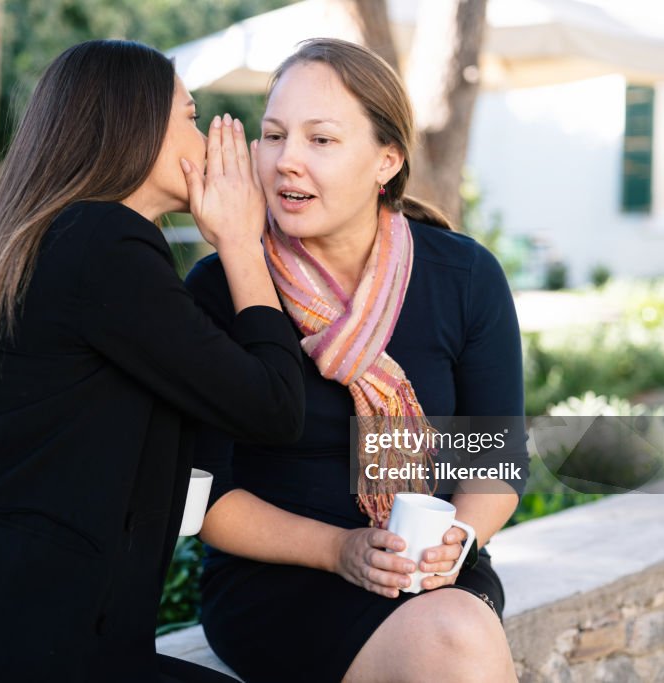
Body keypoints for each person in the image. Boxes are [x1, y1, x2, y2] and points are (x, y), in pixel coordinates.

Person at [0, 40, 304, 683]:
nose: (207, 140)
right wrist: (241, 241)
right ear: (133, 124)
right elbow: (275, 406)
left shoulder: (66, 240)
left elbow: (204, 463)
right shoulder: (103, 244)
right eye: (190, 116)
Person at [184, 39, 526, 683]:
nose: (287, 161)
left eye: (321, 140)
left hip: (431, 573)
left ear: (386, 160)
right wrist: (340, 549)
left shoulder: (463, 276)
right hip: (277, 584)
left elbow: (493, 465)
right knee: (454, 640)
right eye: (275, 135)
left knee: (453, 627)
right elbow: (202, 498)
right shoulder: (219, 285)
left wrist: (461, 541)